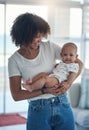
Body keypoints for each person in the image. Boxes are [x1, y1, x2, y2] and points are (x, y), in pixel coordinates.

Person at [8, 12, 83, 130]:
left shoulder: (49, 47)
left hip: (63, 104)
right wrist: (44, 91)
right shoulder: (14, 60)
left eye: (40, 36)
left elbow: (78, 63)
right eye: (35, 37)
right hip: (38, 110)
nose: (39, 40)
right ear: (23, 36)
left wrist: (68, 83)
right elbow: (16, 95)